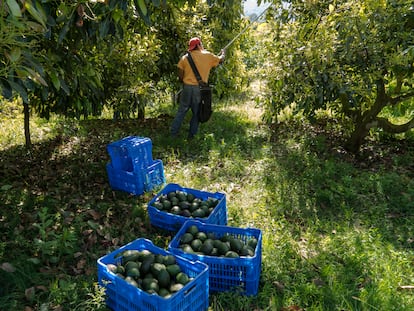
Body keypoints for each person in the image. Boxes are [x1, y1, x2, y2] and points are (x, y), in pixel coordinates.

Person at [171, 37, 225, 139]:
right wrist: (223, 53)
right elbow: (220, 60)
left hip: (187, 88)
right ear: (199, 45)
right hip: (199, 89)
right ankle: (192, 136)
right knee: (196, 112)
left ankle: (173, 134)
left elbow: (180, 75)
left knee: (182, 111)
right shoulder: (208, 56)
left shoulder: (184, 58)